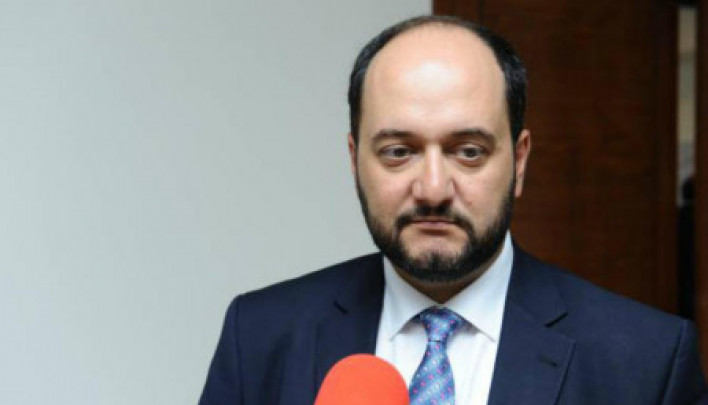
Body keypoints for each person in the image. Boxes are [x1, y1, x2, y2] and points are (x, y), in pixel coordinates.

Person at [198, 15, 706, 405]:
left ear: (519, 162)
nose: (433, 189)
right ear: (355, 161)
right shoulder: (261, 338)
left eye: (468, 152)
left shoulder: (646, 362)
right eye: (399, 151)